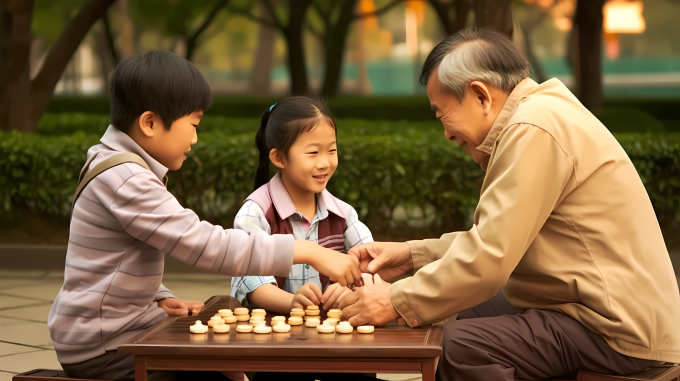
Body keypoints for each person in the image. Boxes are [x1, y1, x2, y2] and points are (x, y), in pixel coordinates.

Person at [341, 27, 680, 381]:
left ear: (480, 96)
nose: (446, 134)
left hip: (616, 331)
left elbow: (489, 258)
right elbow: (497, 239)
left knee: (458, 345)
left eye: (442, 114)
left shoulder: (534, 126)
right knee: (462, 311)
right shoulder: (541, 113)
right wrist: (413, 254)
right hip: (597, 310)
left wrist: (394, 300)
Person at [48, 51, 362, 381]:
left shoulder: (115, 164)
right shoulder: (127, 179)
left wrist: (158, 297)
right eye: (193, 125)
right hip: (104, 346)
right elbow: (203, 243)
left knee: (226, 338)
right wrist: (309, 251)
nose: (195, 139)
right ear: (150, 123)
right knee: (224, 364)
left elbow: (112, 259)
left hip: (110, 329)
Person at [230, 96, 376, 381]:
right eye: (313, 153)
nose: (325, 163)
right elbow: (254, 285)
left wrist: (353, 290)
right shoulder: (255, 213)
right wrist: (292, 302)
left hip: (338, 344)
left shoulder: (343, 214)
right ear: (278, 158)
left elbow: (372, 267)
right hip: (275, 346)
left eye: (332, 150)